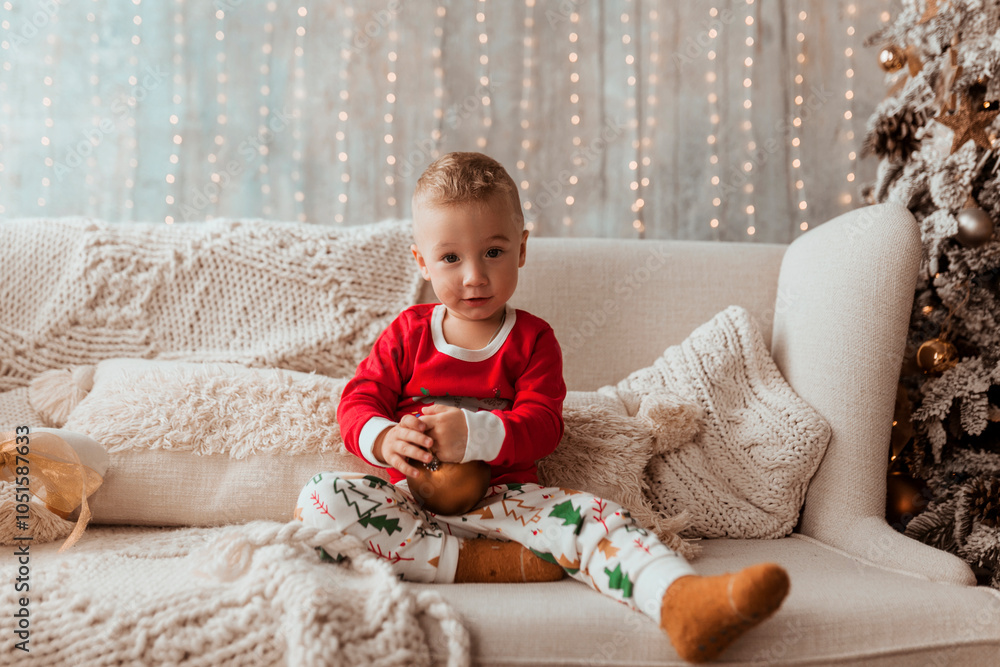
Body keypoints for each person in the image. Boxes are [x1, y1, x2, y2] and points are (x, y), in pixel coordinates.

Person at [295, 151, 789, 663]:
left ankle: (679, 599)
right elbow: (357, 400)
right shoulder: (407, 334)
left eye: (493, 252)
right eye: (450, 258)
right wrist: (384, 436)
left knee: (598, 519)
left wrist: (476, 434)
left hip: (508, 499)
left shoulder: (533, 341)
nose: (473, 276)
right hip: (409, 505)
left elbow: (544, 426)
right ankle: (476, 564)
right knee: (319, 501)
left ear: (522, 248)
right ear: (420, 260)